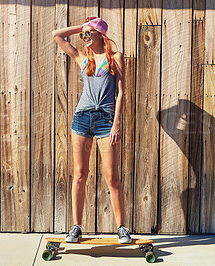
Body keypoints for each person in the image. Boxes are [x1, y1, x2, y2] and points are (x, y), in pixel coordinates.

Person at [52, 16, 131, 244]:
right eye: (83, 35)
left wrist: (117, 123)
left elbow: (121, 93)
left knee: (112, 176)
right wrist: (83, 26)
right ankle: (76, 227)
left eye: (89, 34)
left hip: (106, 120)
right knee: (79, 175)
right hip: (82, 119)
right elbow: (57, 35)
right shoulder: (81, 58)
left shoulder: (115, 58)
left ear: (100, 36)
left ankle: (122, 228)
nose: (84, 38)